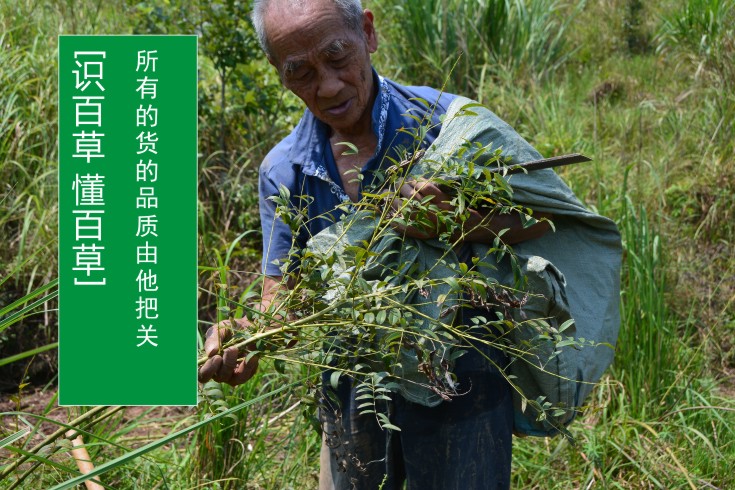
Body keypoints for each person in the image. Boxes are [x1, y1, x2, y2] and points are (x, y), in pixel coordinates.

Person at [199, 0, 554, 487]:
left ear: (367, 33)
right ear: (279, 74)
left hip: (461, 380)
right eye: (300, 72)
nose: (326, 87)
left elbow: (543, 219)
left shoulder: (449, 126)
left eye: (338, 57)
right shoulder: (284, 171)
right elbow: (282, 295)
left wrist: (455, 221)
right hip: (353, 389)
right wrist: (252, 337)